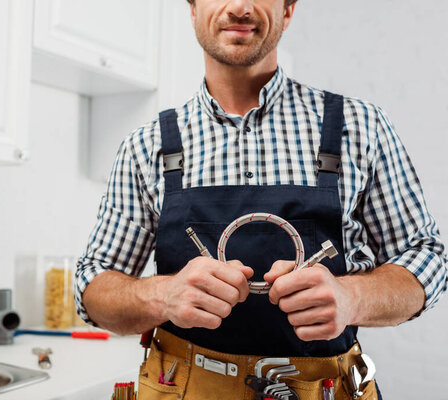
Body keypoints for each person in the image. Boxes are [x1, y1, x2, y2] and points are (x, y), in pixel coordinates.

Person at [75, 0, 448, 399]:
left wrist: (351, 297)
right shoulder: (145, 146)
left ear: (288, 10)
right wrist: (161, 296)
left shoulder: (360, 126)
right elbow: (93, 287)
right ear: (193, 8)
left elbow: (426, 257)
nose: (238, 7)